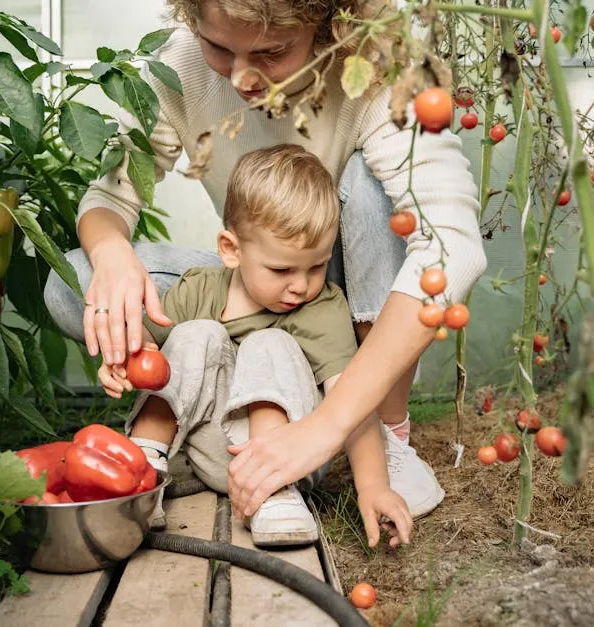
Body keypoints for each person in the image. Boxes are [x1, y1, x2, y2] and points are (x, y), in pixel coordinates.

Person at [44, 0, 487, 520]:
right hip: (257, 279)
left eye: (271, 51)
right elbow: (109, 197)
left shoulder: (379, 70)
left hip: (335, 288)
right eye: (218, 47)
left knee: (373, 190)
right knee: (74, 281)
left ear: (328, 28)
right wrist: (113, 251)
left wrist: (330, 427)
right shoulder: (177, 64)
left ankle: (383, 430)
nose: (242, 78)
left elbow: (449, 244)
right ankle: (223, 398)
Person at [100, 144, 411, 548]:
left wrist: (372, 486)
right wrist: (125, 357)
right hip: (197, 453)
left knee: (270, 343)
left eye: (316, 266)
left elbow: (352, 403)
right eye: (281, 269)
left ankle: (273, 494)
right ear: (231, 250)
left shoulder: (321, 309)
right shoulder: (198, 289)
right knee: (196, 335)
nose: (301, 285)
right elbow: (148, 352)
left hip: (290, 457)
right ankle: (143, 468)